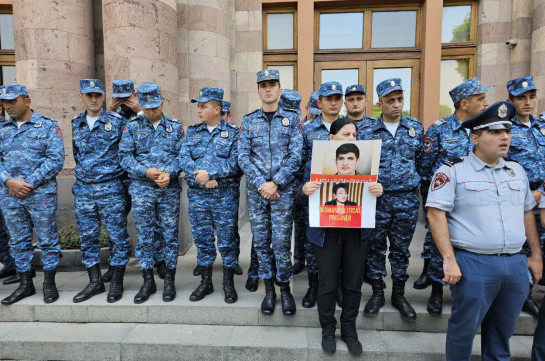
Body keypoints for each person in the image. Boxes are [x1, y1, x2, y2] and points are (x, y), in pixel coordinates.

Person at [427, 101, 543, 361]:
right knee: (463, 331)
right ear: (476, 138)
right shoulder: (453, 170)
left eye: (507, 131)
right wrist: (448, 259)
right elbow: (435, 213)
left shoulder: (517, 171)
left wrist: (535, 255)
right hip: (473, 263)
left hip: (514, 264)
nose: (504, 137)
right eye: (495, 132)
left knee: (502, 333)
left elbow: (527, 213)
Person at [301, 118, 383, 356]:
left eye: (354, 135)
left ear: (356, 159)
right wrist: (304, 190)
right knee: (326, 284)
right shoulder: (314, 166)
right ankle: (328, 330)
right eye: (345, 134)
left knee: (353, 284)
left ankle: (349, 330)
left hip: (356, 235)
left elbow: (376, 196)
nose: (351, 138)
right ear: (332, 140)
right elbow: (301, 197)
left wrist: (380, 190)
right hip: (326, 235)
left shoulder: (369, 171)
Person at [418, 77, 492, 315]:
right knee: (440, 245)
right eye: (480, 99)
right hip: (446, 199)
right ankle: (437, 292)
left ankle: (467, 293)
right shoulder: (439, 129)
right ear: (464, 103)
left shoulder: (485, 129)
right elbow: (426, 165)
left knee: (473, 246)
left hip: (478, 199)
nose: (485, 103)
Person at [238, 69, 302, 316]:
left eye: (272, 84)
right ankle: (269, 291)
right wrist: (262, 185)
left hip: (282, 193)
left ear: (279, 89)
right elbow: (242, 156)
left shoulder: (292, 120)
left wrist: (276, 183)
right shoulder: (249, 120)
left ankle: (284, 289)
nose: (268, 89)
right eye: (263, 85)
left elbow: (296, 156)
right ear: (258, 90)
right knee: (262, 243)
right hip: (257, 194)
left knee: (282, 243)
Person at [358, 78, 423, 321]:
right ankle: (377, 292)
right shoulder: (367, 132)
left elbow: (421, 163)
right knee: (375, 248)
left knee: (400, 250)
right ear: (379, 104)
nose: (396, 105)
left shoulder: (415, 128)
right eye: (390, 100)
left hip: (406, 200)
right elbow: (360, 167)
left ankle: (398, 294)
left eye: (399, 99)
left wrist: (411, 183)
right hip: (377, 201)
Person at [119, 82, 184, 303]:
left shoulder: (175, 127)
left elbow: (181, 156)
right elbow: (125, 157)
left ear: (162, 102)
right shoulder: (132, 126)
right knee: (145, 237)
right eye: (147, 108)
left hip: (168, 191)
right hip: (141, 190)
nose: (152, 112)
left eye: (155, 106)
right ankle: (148, 281)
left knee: (170, 236)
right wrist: (144, 171)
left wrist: (171, 173)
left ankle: (169, 281)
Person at [0, 84, 64, 304]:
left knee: (47, 240)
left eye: (12, 101)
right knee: (18, 241)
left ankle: (49, 284)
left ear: (26, 101)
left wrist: (28, 183)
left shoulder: (47, 126)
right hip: (10, 195)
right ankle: (25, 284)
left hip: (40, 194)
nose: (7, 106)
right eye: (4, 102)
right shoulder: (1, 128)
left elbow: (55, 159)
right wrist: (9, 181)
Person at [71, 79, 131, 303]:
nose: (94, 99)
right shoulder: (75, 123)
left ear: (104, 96)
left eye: (97, 95)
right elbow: (78, 155)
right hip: (84, 191)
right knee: (88, 238)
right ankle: (94, 282)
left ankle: (116, 281)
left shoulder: (116, 122)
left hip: (111, 188)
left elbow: (125, 153)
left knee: (118, 237)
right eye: (89, 95)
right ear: (82, 97)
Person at [180, 87, 242, 304]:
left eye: (203, 106)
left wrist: (212, 173)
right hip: (198, 197)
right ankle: (206, 283)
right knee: (203, 241)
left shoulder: (234, 134)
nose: (199, 110)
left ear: (217, 109)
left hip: (224, 198)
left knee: (227, 241)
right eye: (198, 106)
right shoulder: (192, 132)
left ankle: (228, 284)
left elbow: (237, 162)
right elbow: (184, 158)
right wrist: (201, 176)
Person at [505, 76, 545, 318]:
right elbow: (501, 164)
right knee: (524, 248)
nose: (527, 102)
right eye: (521, 98)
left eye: (531, 97)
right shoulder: (506, 128)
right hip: (521, 198)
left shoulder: (541, 127)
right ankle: (524, 296)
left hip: (543, 197)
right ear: (511, 100)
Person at [0, 98, 17, 285]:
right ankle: (9, 263)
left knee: (13, 230)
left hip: (6, 190)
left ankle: (19, 267)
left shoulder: (6, 130)